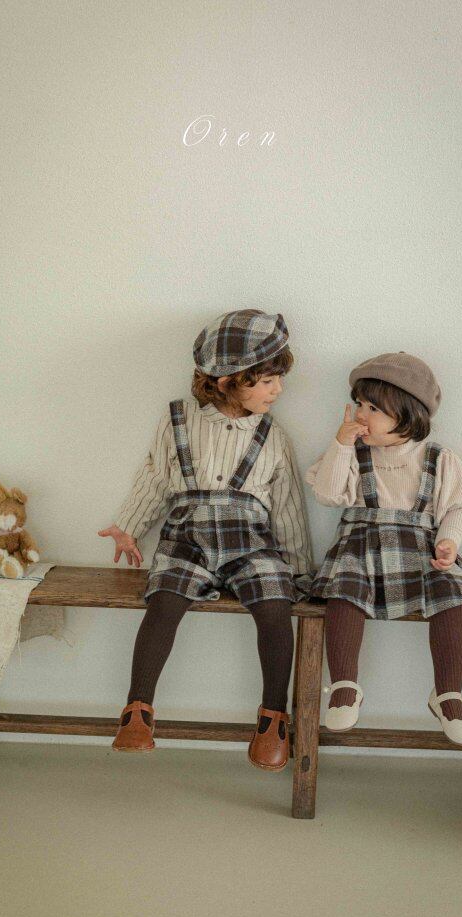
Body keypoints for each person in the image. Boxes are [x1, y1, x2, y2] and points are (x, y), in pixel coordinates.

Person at [100, 309, 312, 771]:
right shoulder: (177, 419)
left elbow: (288, 503)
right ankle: (137, 710)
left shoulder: (274, 436)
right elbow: (155, 476)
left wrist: (298, 570)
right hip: (187, 536)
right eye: (267, 380)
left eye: (278, 378)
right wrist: (129, 526)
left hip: (250, 541)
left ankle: (273, 718)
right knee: (164, 601)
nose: (278, 389)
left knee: (275, 608)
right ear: (226, 380)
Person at [306, 351, 462, 745]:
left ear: (408, 414)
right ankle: (344, 685)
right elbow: (327, 494)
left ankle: (448, 694)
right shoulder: (351, 453)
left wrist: (449, 541)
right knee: (344, 592)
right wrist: (340, 445)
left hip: (420, 548)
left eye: (373, 408)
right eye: (359, 404)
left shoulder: (437, 458)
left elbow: (461, 505)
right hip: (359, 547)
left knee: (450, 594)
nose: (361, 415)